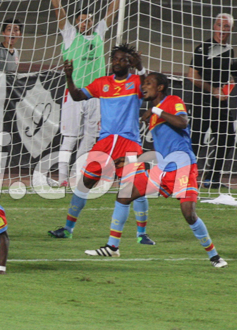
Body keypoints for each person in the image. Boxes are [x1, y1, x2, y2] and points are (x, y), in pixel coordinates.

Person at [84, 72, 226, 266]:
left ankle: (215, 256)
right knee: (124, 194)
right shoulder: (152, 114)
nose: (144, 87)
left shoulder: (173, 101)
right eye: (143, 84)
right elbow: (159, 149)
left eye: (148, 83)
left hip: (183, 167)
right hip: (163, 169)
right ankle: (112, 247)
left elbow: (182, 122)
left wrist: (156, 111)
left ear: (160, 87)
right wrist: (129, 159)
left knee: (189, 214)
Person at [48, 44, 155, 246]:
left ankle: (142, 234)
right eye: (114, 58)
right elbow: (77, 96)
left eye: (122, 59)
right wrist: (69, 77)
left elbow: (149, 90)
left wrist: (140, 68)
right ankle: (68, 229)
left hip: (129, 143)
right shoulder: (102, 83)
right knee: (85, 182)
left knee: (135, 188)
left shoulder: (135, 82)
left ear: (129, 63)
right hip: (104, 143)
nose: (116, 62)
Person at [46, 0, 122, 187]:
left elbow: (112, 11)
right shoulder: (70, 35)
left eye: (88, 20)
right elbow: (58, 10)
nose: (85, 23)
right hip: (75, 94)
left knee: (90, 138)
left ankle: (76, 175)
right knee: (70, 137)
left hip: (96, 96)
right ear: (76, 22)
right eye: (81, 20)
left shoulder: (99, 35)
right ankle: (61, 179)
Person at [186, 12, 236, 189]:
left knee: (228, 137)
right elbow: (192, 76)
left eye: (226, 27)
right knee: (196, 141)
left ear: (231, 29)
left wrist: (228, 85)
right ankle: (185, 177)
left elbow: (230, 74)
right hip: (202, 103)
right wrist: (212, 89)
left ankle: (212, 178)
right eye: (219, 25)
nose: (222, 30)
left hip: (220, 105)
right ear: (214, 26)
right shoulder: (204, 48)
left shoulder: (229, 50)